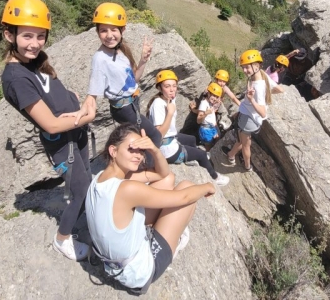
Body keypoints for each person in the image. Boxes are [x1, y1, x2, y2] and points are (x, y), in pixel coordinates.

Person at [1, 0, 95, 262]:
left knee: (86, 180)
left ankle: (83, 213)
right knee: (81, 190)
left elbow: (50, 90)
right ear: (9, 35)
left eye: (40, 36)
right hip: (61, 142)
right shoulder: (16, 78)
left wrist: (72, 97)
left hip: (74, 131)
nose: (35, 43)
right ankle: (62, 240)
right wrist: (86, 116)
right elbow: (50, 123)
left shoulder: (34, 62)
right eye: (27, 36)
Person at [86, 123, 216, 294]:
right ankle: (174, 239)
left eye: (140, 150)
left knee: (167, 181)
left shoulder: (99, 179)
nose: (138, 156)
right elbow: (184, 197)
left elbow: (163, 174)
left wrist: (154, 149)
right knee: (187, 188)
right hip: (139, 273)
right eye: (131, 149)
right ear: (113, 151)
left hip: (114, 263)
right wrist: (207, 186)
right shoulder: (127, 189)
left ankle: (159, 229)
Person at [83, 2, 162, 149]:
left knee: (138, 139)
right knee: (155, 136)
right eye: (103, 30)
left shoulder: (121, 50)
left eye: (114, 30)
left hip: (132, 103)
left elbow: (134, 79)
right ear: (97, 32)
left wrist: (143, 60)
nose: (109, 35)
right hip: (124, 109)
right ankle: (148, 167)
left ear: (122, 30)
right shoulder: (100, 58)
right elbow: (92, 95)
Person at [148, 71, 229, 186]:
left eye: (174, 86)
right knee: (201, 155)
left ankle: (191, 157)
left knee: (191, 139)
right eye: (167, 86)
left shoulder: (170, 99)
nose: (172, 89)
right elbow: (158, 134)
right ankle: (215, 178)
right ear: (159, 88)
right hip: (166, 148)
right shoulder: (158, 105)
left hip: (171, 137)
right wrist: (170, 113)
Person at [222, 49, 283, 172]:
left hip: (248, 119)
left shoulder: (257, 86)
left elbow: (263, 113)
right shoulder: (263, 75)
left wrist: (251, 100)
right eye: (243, 68)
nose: (244, 71)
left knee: (245, 145)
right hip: (251, 118)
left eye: (247, 68)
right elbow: (279, 89)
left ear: (256, 66)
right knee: (242, 140)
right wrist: (267, 93)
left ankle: (247, 166)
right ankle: (231, 155)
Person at [197, 82, 223, 150]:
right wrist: (206, 113)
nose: (215, 98)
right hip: (206, 130)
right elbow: (198, 120)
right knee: (208, 146)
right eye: (213, 95)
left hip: (211, 128)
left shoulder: (210, 103)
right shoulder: (204, 103)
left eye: (217, 97)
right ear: (208, 93)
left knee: (215, 142)